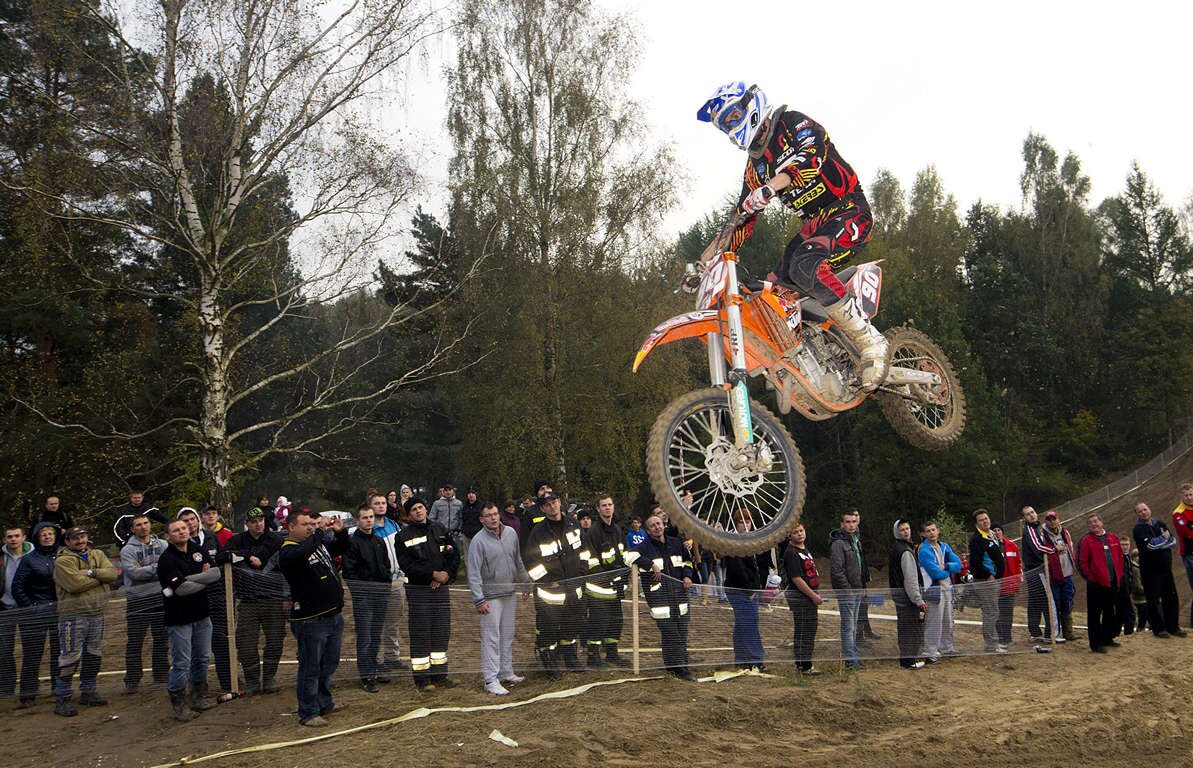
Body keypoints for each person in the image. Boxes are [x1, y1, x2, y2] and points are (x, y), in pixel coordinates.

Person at [696, 81, 885, 390]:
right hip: (814, 226)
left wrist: (772, 187)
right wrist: (704, 261)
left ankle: (870, 341)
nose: (731, 128)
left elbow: (811, 157)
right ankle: (813, 354)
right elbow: (741, 218)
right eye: (725, 125)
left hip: (849, 209)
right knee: (769, 292)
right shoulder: (755, 167)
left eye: (732, 118)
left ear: (750, 105)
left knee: (805, 266)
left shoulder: (792, 123)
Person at [278, 508, 350, 727]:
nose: (310, 528)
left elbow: (342, 548)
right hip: (310, 619)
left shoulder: (314, 544)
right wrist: (319, 531)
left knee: (329, 664)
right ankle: (308, 711)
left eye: (312, 524)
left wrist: (340, 533)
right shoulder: (289, 552)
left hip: (332, 614)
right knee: (310, 667)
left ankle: (324, 702)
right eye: (306, 525)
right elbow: (303, 554)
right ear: (291, 527)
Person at [158, 518, 221, 719]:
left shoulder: (197, 550)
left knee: (202, 657)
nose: (182, 532)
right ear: (168, 536)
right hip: (179, 618)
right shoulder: (166, 560)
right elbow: (182, 590)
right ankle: (179, 702)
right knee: (182, 662)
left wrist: (190, 579)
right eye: (176, 530)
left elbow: (216, 573)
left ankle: (198, 696)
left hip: (202, 614)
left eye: (184, 528)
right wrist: (202, 579)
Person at [52, 526, 118, 716]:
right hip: (73, 615)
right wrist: (100, 576)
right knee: (70, 657)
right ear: (67, 541)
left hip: (97, 612)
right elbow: (74, 585)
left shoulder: (97, 554)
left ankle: (88, 691)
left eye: (83, 536)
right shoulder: (63, 561)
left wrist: (90, 573)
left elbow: (113, 574)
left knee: (93, 654)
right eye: (76, 538)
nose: (80, 540)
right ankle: (62, 697)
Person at [396, 497, 460, 692]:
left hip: (441, 589)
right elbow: (407, 565)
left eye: (420, 507)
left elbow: (453, 554)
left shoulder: (439, 529)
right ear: (408, 515)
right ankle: (422, 679)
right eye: (413, 509)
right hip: (419, 591)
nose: (418, 511)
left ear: (426, 509)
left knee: (441, 632)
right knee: (421, 633)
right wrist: (432, 574)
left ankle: (440, 676)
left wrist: (446, 575)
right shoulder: (403, 536)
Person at [524, 492, 588, 679]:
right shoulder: (538, 532)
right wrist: (546, 580)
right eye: (547, 504)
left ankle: (570, 658)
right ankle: (549, 661)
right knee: (548, 628)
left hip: (573, 587)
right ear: (542, 509)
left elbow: (584, 551)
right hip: (550, 592)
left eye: (554, 502)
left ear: (560, 503)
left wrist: (582, 573)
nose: (552, 506)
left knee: (572, 625)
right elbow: (531, 562)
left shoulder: (573, 524)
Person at [467, 502, 529, 695]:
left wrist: (525, 582)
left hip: (509, 592)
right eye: (489, 515)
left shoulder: (511, 533)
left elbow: (517, 559)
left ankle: (506, 671)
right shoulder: (478, 541)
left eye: (495, 514)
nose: (493, 518)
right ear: (482, 519)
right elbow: (473, 573)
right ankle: (490, 679)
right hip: (490, 597)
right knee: (491, 638)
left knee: (507, 634)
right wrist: (479, 599)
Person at [625, 514, 696, 681]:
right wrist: (650, 564)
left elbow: (688, 561)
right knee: (671, 633)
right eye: (652, 525)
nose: (657, 527)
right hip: (659, 598)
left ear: (663, 525)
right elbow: (628, 557)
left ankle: (674, 665)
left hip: (679, 596)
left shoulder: (676, 543)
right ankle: (681, 669)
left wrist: (687, 575)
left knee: (682, 632)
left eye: (658, 523)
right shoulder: (644, 546)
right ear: (648, 531)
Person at [223, 506, 285, 694]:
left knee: (275, 641)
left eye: (260, 520)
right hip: (248, 600)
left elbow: (284, 561)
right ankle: (252, 680)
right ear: (247, 524)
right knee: (245, 643)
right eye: (253, 522)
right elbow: (222, 555)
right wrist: (248, 556)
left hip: (274, 598)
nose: (258, 524)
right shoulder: (237, 540)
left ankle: (269, 678)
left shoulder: (275, 539)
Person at [342, 503, 391, 693]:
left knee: (376, 635)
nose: (369, 520)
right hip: (364, 598)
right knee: (365, 637)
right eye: (365, 517)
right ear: (358, 520)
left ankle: (374, 668)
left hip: (381, 595)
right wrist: (362, 592)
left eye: (371, 517)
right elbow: (349, 572)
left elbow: (386, 565)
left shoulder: (379, 541)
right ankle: (366, 675)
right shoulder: (352, 543)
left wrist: (385, 585)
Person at [119, 513, 169, 693]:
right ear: (132, 529)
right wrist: (158, 568)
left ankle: (161, 673)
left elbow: (169, 566)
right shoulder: (127, 550)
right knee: (135, 641)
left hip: (160, 597)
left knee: (162, 638)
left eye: (146, 523)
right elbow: (134, 573)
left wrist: (149, 569)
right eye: (138, 525)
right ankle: (132, 679)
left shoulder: (163, 544)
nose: (143, 527)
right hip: (137, 600)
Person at [10, 522, 59, 707]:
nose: (47, 537)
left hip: (59, 611)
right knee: (32, 654)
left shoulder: (62, 555)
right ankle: (28, 694)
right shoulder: (29, 559)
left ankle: (58, 688)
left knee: (59, 652)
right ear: (37, 538)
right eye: (43, 534)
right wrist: (31, 607)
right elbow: (17, 587)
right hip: (35, 614)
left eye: (50, 533)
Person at [582, 494, 629, 668]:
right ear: (598, 509)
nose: (607, 508)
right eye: (604, 505)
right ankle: (593, 656)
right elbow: (591, 561)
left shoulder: (617, 530)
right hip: (599, 588)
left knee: (616, 621)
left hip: (615, 587)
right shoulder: (593, 532)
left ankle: (612, 653)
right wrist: (607, 578)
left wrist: (624, 575)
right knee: (598, 622)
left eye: (610, 504)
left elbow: (623, 555)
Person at [722, 509, 770, 671]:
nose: (745, 525)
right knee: (750, 624)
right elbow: (737, 567)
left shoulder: (752, 540)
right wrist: (749, 589)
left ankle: (742, 658)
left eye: (748, 521)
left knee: (742, 623)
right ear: (736, 524)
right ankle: (755, 659)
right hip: (739, 589)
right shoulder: (733, 541)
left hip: (749, 588)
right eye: (741, 522)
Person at [366, 492, 406, 679]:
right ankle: (375, 659)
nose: (381, 506)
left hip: (397, 579)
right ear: (370, 506)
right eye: (377, 503)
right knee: (375, 622)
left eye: (383, 503)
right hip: (377, 583)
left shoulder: (393, 524)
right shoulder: (368, 529)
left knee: (393, 621)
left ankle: (392, 656)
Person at [1132, 502, 1185, 638]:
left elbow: (1173, 541)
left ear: (1149, 509)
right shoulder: (1138, 529)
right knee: (1154, 600)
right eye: (1140, 511)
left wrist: (1161, 541)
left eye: (1145, 509)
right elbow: (1150, 546)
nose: (1143, 512)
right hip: (1150, 570)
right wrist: (1164, 539)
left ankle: (1173, 627)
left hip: (1166, 568)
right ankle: (1159, 628)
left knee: (1171, 597)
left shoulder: (1160, 523)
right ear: (1137, 514)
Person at [1076, 513, 1124, 654]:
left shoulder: (1112, 537)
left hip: (1112, 581)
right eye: (1090, 523)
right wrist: (1090, 578)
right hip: (1096, 583)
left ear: (1101, 522)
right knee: (1095, 614)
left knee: (1110, 611)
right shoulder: (1086, 540)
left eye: (1096, 521)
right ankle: (1095, 644)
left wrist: (1119, 574)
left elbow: (1120, 556)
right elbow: (1082, 561)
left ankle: (1107, 638)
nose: (1094, 524)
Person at [917, 521, 961, 663]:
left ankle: (946, 647)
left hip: (948, 589)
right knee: (934, 621)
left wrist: (946, 566)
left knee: (948, 620)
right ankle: (930, 652)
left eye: (933, 530)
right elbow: (935, 572)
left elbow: (958, 565)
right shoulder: (924, 551)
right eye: (928, 531)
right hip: (933, 590)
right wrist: (947, 571)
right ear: (923, 534)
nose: (931, 533)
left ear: (938, 530)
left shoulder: (944, 547)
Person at [781, 523, 821, 675]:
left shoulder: (804, 549)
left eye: (801, 530)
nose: (800, 534)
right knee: (805, 630)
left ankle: (804, 663)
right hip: (801, 597)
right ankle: (804, 665)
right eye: (795, 532)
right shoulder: (791, 553)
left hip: (809, 596)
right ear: (789, 535)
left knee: (809, 630)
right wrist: (813, 595)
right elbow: (796, 578)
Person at [829, 509, 865, 668]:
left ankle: (853, 655)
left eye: (854, 522)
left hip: (857, 588)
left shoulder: (855, 540)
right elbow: (837, 570)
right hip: (846, 591)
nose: (851, 525)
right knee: (848, 625)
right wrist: (847, 589)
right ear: (842, 524)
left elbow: (861, 565)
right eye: (848, 522)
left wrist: (861, 586)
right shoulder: (838, 543)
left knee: (854, 625)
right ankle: (850, 659)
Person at [967, 509, 1006, 654]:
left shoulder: (991, 534)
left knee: (994, 611)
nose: (985, 521)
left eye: (986, 518)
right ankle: (991, 644)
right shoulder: (976, 540)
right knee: (990, 612)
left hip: (995, 579)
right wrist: (988, 575)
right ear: (976, 523)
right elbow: (975, 562)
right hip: (985, 581)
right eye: (981, 520)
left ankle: (994, 642)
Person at [890, 520, 926, 670]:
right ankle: (909, 661)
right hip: (907, 598)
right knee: (910, 629)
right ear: (896, 532)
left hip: (901, 596)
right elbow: (910, 579)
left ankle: (907, 660)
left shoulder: (898, 547)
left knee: (905, 628)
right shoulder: (905, 551)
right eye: (902, 530)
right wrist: (918, 600)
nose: (906, 532)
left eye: (907, 528)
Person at [0, 525, 31, 699]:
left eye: (16, 536)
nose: (13, 539)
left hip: (28, 609)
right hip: (6, 608)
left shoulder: (33, 555)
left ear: (23, 537)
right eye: (9, 536)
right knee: (4, 650)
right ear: (5, 540)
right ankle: (6, 687)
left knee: (30, 650)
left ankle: (29, 688)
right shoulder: (1, 558)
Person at [1041, 510, 1080, 643]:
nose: (1052, 522)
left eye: (1054, 519)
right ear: (1046, 521)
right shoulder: (1043, 535)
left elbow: (1071, 548)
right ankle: (1055, 633)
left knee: (1067, 602)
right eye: (1049, 519)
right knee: (1055, 603)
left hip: (1067, 572)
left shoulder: (1065, 532)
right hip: (1053, 575)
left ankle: (1068, 632)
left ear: (1058, 519)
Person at [1019, 505, 1056, 643]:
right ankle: (1048, 633)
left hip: (1035, 570)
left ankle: (1036, 632)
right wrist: (1054, 549)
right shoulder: (1029, 530)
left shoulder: (1036, 529)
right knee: (1044, 599)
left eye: (1033, 512)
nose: (1032, 515)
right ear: (1024, 518)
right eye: (1028, 514)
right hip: (1036, 570)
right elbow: (1037, 547)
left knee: (1035, 601)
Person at [991, 522, 1021, 648]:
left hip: (1010, 586)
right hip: (997, 586)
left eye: (999, 530)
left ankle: (1008, 637)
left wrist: (1017, 581)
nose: (997, 532)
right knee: (999, 614)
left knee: (1008, 613)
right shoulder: (991, 547)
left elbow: (1018, 564)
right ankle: (1000, 638)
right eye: (994, 530)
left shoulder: (1012, 546)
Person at [1171, 483, 1193, 627]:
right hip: (1190, 554)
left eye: (1191, 494)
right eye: (1186, 495)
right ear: (1181, 496)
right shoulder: (1178, 513)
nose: (1189, 497)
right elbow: (1188, 533)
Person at [429, 484, 463, 562]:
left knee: (455, 552)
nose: (448, 492)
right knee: (442, 552)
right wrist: (437, 529)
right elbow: (432, 518)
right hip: (441, 534)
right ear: (443, 492)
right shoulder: (437, 503)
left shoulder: (459, 503)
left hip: (454, 533)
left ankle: (455, 566)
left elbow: (461, 518)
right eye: (446, 490)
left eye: (449, 490)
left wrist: (458, 529)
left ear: (453, 491)